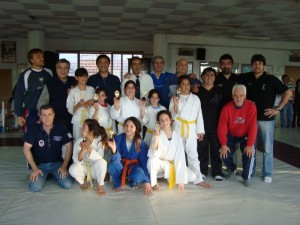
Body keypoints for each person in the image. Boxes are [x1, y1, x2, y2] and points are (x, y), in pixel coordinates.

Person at [240, 54, 293, 183]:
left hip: (266, 119)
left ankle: (267, 173)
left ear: (263, 65)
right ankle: (250, 171)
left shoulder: (271, 79)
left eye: (260, 63)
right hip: (250, 120)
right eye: (254, 63)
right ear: (251, 65)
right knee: (250, 146)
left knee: (268, 148)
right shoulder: (246, 77)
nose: (257, 65)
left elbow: (288, 92)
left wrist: (278, 109)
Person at [169, 75, 211, 188]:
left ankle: (198, 178)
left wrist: (200, 131)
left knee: (193, 153)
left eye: (188, 84)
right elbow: (172, 116)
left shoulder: (195, 98)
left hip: (191, 128)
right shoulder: (175, 98)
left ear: (190, 86)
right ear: (179, 86)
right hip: (178, 127)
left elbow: (199, 115)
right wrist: (176, 105)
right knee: (178, 153)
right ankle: (179, 177)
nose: (186, 86)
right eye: (183, 84)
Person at [23, 105, 73, 192]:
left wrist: (64, 166)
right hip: (40, 165)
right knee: (34, 188)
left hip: (57, 164)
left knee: (67, 184)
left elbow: (69, 146)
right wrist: (34, 168)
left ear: (53, 115)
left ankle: (50, 174)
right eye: (44, 115)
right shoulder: (34, 129)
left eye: (49, 114)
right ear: (40, 116)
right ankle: (46, 174)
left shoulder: (60, 127)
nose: (47, 118)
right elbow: (26, 148)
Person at [218, 85, 257, 187]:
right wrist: (223, 144)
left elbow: (253, 126)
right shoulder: (226, 108)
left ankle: (246, 177)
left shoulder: (251, 106)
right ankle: (232, 170)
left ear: (245, 96)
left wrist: (250, 144)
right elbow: (222, 128)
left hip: (246, 134)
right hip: (231, 134)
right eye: (236, 96)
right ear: (232, 96)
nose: (238, 98)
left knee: (249, 153)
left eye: (241, 95)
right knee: (223, 152)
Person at [107, 117, 151, 195]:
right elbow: (115, 160)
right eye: (126, 125)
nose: (128, 128)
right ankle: (118, 181)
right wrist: (114, 149)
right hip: (121, 165)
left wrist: (147, 181)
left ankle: (132, 181)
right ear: (124, 127)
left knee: (139, 174)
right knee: (112, 165)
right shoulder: (118, 138)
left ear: (136, 128)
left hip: (134, 166)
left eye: (131, 126)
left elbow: (144, 162)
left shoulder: (140, 142)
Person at [14, 48, 53, 133]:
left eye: (42, 56)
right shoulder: (26, 75)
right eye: (38, 56)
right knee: (30, 137)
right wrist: (19, 115)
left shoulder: (49, 73)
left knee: (45, 136)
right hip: (30, 111)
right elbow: (18, 95)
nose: (42, 58)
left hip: (46, 111)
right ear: (31, 60)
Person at [147, 110, 187, 191]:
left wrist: (181, 180)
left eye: (166, 119)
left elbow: (180, 157)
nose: (164, 122)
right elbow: (154, 154)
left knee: (192, 176)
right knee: (151, 161)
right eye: (161, 120)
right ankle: (154, 183)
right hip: (160, 165)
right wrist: (156, 138)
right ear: (158, 122)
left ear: (170, 120)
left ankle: (165, 176)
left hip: (171, 165)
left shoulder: (177, 136)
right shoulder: (157, 134)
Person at [196, 67, 224, 181]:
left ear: (215, 77)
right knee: (201, 149)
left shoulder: (220, 91)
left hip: (216, 126)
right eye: (207, 75)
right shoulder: (197, 91)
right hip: (201, 127)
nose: (209, 77)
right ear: (202, 77)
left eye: (212, 75)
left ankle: (217, 172)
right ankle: (202, 171)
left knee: (216, 149)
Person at [69, 119, 108, 196]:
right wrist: (83, 149)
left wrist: (89, 149)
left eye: (84, 127)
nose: (81, 128)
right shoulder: (79, 141)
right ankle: (82, 181)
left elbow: (100, 157)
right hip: (83, 168)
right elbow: (76, 160)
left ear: (91, 131)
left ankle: (100, 185)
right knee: (72, 169)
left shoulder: (100, 141)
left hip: (94, 170)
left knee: (103, 162)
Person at [37, 58, 76, 133]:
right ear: (56, 69)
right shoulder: (49, 84)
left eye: (65, 68)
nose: (62, 70)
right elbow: (42, 103)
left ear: (68, 69)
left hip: (73, 119)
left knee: (72, 142)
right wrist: (43, 117)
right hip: (56, 120)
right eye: (60, 68)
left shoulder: (74, 81)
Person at [66, 68, 94, 141]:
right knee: (78, 139)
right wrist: (78, 105)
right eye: (81, 76)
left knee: (90, 138)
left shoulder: (91, 89)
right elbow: (70, 108)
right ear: (76, 77)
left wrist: (92, 101)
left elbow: (96, 100)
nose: (84, 78)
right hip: (77, 119)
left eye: (85, 76)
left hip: (89, 117)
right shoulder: (73, 91)